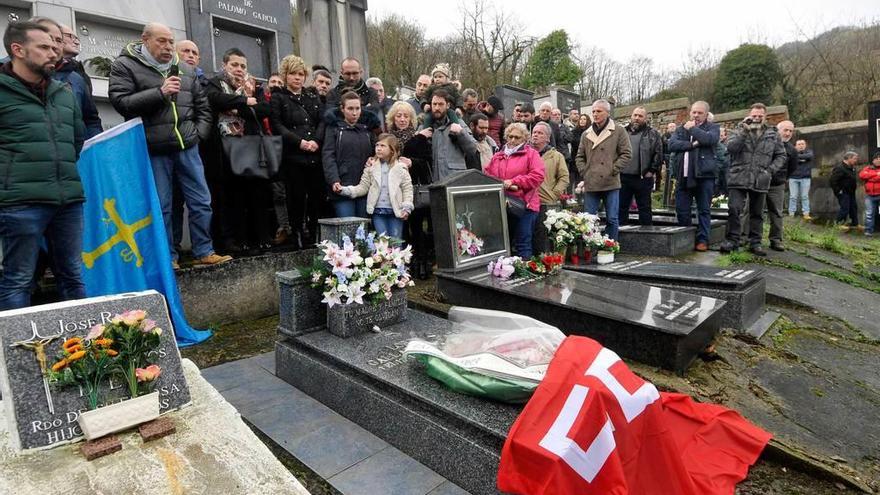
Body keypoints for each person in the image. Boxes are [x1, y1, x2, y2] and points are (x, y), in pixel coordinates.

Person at [109, 22, 230, 268]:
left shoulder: (184, 68)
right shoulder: (125, 65)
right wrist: (160, 92)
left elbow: (203, 107)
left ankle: (203, 251)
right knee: (162, 205)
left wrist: (198, 134)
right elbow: (121, 102)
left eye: (170, 41)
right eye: (161, 41)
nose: (167, 47)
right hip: (154, 149)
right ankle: (168, 257)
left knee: (201, 201)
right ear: (145, 39)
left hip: (187, 145)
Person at [0, 21, 85, 310]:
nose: (54, 52)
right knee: (18, 279)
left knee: (73, 276)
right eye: (45, 47)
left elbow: (76, 141)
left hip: (68, 201)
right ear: (18, 49)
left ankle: (84, 352)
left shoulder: (64, 92)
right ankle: (14, 355)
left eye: (55, 46)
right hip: (20, 203)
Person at [204, 48, 272, 255]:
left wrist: (237, 106)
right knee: (229, 198)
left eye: (243, 65)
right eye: (234, 65)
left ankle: (258, 239)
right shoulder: (215, 83)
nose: (239, 69)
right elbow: (215, 100)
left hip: (248, 146)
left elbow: (263, 110)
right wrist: (244, 102)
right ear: (225, 65)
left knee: (254, 196)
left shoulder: (254, 86)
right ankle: (232, 241)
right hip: (221, 148)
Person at [271, 55, 326, 248]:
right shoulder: (278, 97)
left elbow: (321, 121)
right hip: (293, 156)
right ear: (285, 75)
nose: (297, 78)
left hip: (314, 155)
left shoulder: (312, 96)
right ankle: (295, 235)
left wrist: (316, 141)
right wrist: (300, 142)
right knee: (296, 198)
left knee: (315, 198)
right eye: (293, 74)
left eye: (301, 74)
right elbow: (277, 125)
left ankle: (313, 235)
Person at [720, 103, 786, 255]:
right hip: (739, 175)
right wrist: (744, 131)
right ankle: (732, 240)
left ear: (765, 117)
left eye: (759, 116)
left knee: (757, 213)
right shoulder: (738, 130)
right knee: (734, 209)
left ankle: (755, 242)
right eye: (754, 116)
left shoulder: (772, 134)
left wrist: (770, 170)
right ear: (749, 115)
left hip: (760, 178)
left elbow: (781, 155)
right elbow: (731, 148)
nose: (756, 118)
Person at [386, 101, 433, 278]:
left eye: (406, 116)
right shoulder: (387, 137)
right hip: (392, 190)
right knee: (401, 229)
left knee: (417, 227)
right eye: (399, 115)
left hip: (413, 189)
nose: (402, 119)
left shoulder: (418, 137)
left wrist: (412, 162)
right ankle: (402, 265)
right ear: (393, 118)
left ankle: (420, 263)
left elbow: (428, 162)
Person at [485, 123, 545, 258]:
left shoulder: (531, 154)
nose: (512, 140)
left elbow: (538, 176)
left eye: (517, 137)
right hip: (502, 205)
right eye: (510, 136)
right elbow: (487, 173)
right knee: (502, 244)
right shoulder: (498, 156)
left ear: (524, 139)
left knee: (523, 243)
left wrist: (514, 181)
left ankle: (525, 275)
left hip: (524, 205)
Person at [575, 99, 632, 241]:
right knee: (589, 219)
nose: (595, 114)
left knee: (612, 218)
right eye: (593, 111)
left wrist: (614, 169)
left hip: (610, 182)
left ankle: (610, 246)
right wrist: (585, 172)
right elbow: (579, 157)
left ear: (607, 112)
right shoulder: (586, 134)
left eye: (599, 111)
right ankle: (590, 248)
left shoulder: (618, 130)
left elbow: (627, 153)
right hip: (591, 182)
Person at [667, 101, 720, 252]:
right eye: (694, 112)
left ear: (706, 114)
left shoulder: (713, 128)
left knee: (703, 210)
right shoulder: (681, 129)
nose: (696, 115)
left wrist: (693, 129)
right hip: (683, 176)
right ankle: (686, 238)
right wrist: (691, 145)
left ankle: (703, 239)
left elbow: (709, 140)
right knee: (681, 209)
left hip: (704, 176)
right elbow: (672, 145)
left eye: (699, 113)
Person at [341, 134, 413, 239]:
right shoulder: (371, 167)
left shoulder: (401, 168)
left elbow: (407, 189)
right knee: (382, 240)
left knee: (396, 240)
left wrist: (406, 208)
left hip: (396, 210)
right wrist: (345, 190)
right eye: (377, 145)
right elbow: (363, 187)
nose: (378, 148)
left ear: (392, 150)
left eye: (383, 146)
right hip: (378, 211)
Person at [323, 90, 375, 217]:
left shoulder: (367, 129)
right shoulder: (334, 129)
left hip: (365, 186)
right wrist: (334, 179)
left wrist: (374, 159)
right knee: (347, 227)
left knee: (363, 229)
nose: (354, 112)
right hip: (342, 185)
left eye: (357, 108)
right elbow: (328, 156)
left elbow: (377, 151)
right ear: (342, 109)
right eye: (350, 108)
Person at [50, 21, 102, 138]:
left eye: (77, 38)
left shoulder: (79, 78)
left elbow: (90, 119)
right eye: (70, 36)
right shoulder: (12, 69)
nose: (77, 42)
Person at [423, 88, 480, 180]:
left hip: (455, 180)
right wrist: (420, 137)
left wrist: (461, 133)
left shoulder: (458, 124)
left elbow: (473, 149)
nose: (437, 108)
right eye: (434, 104)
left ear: (448, 105)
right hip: (432, 180)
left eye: (441, 104)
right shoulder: (424, 126)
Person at [531, 122, 569, 254]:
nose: (535, 135)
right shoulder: (526, 153)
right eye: (534, 132)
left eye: (539, 133)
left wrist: (555, 193)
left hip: (546, 201)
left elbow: (564, 177)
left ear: (547, 138)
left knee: (543, 237)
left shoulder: (556, 156)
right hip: (528, 202)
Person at [620, 106, 661, 226]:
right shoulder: (622, 132)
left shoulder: (653, 134)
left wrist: (652, 170)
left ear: (645, 118)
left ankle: (647, 237)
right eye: (635, 115)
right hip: (623, 177)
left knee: (645, 208)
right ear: (631, 116)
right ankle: (620, 236)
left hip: (643, 177)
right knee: (621, 208)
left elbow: (658, 153)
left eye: (640, 116)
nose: (637, 118)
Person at [761, 120, 799, 251]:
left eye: (790, 131)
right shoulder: (765, 143)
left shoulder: (792, 150)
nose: (788, 133)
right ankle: (749, 238)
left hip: (777, 185)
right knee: (751, 210)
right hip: (759, 182)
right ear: (778, 130)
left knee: (777, 213)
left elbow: (792, 168)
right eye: (785, 130)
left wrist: (782, 178)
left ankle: (776, 239)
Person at [325, 57, 381, 131]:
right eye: (348, 74)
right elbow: (330, 116)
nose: (351, 77)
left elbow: (373, 115)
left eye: (355, 73)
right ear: (341, 73)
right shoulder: (332, 93)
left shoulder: (371, 93)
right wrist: (365, 109)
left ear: (361, 72)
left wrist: (342, 111)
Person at [830, 151, 860, 231]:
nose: (856, 160)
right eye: (854, 159)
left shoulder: (852, 167)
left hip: (851, 192)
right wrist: (838, 191)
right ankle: (837, 224)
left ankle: (855, 224)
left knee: (853, 208)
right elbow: (833, 181)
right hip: (843, 192)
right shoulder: (839, 168)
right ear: (849, 158)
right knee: (845, 208)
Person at [789, 138, 814, 220]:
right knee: (793, 196)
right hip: (793, 178)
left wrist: (797, 158)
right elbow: (790, 159)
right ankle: (791, 213)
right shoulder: (791, 153)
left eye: (803, 144)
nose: (801, 146)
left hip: (805, 178)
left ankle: (806, 213)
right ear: (795, 146)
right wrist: (801, 159)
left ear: (805, 145)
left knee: (804, 196)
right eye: (799, 144)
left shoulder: (809, 152)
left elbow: (809, 156)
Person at [859, 152, 880, 236]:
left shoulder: (868, 170)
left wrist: (870, 177)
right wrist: (876, 175)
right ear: (873, 160)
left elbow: (866, 176)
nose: (878, 160)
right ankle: (868, 231)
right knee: (869, 214)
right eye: (877, 158)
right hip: (870, 195)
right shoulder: (868, 168)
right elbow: (862, 175)